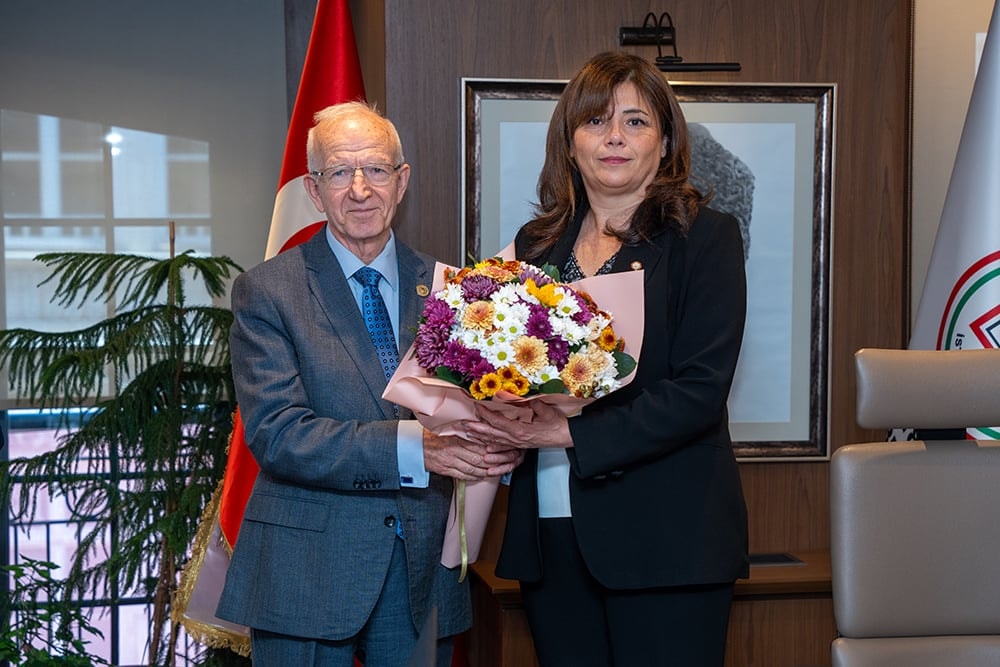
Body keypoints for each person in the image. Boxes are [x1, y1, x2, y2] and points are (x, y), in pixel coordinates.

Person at [463, 52, 750, 666]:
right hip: (552, 534)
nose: (614, 137)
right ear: (570, 142)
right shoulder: (535, 247)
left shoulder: (706, 238)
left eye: (636, 122)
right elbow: (496, 366)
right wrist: (495, 400)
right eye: (595, 121)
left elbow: (699, 391)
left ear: (666, 140)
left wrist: (566, 430)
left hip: (669, 541)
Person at [215, 101, 522, 666]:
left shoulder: (454, 291)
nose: (360, 189)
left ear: (401, 181)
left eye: (376, 169)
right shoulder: (268, 292)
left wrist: (503, 438)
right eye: (340, 172)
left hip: (423, 570)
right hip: (307, 575)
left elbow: (482, 405)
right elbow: (280, 434)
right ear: (313, 189)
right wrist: (419, 450)